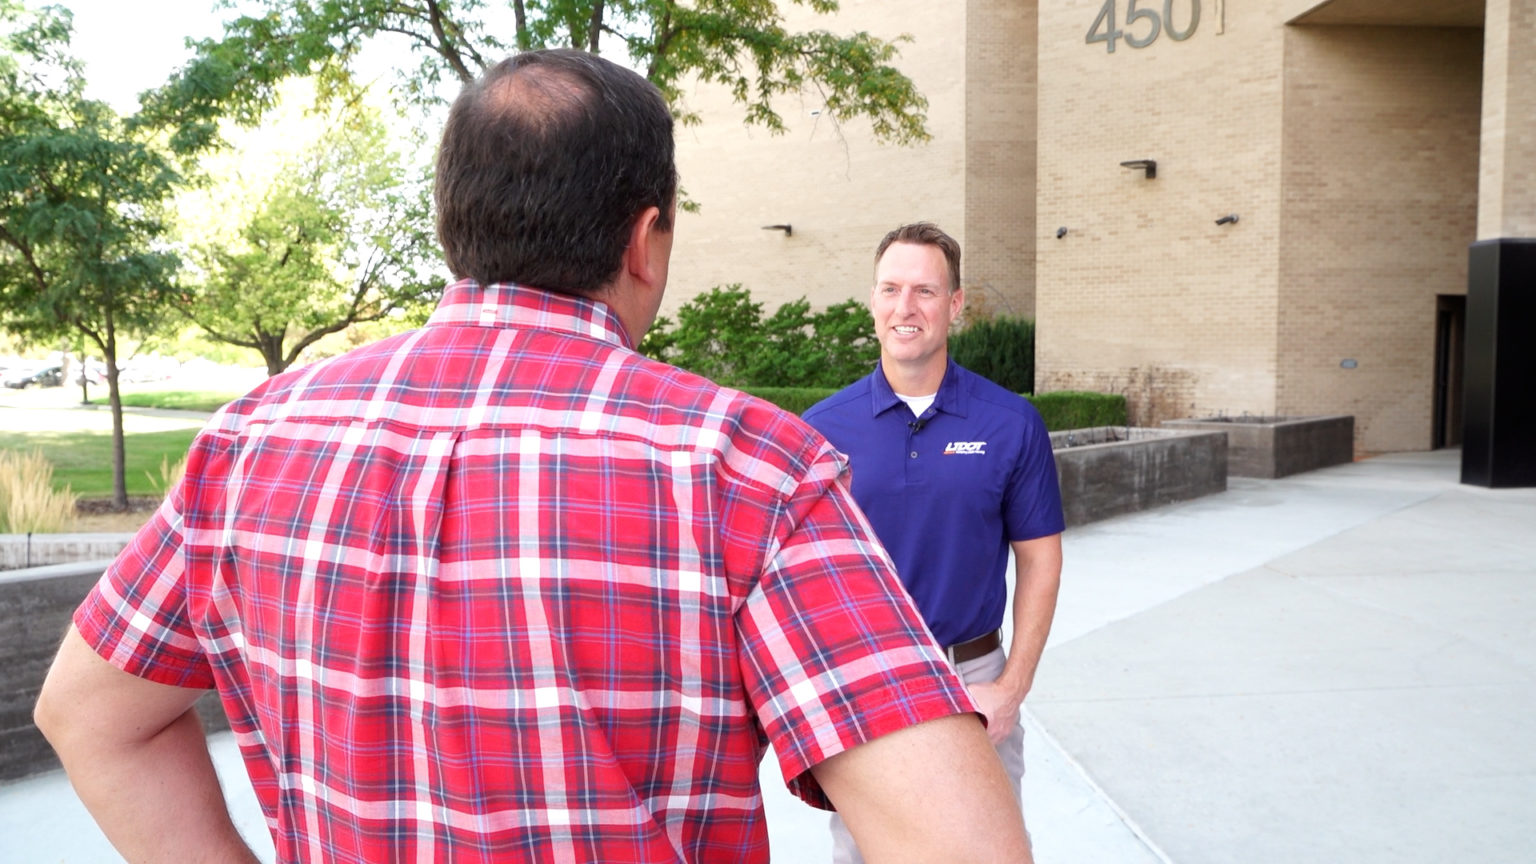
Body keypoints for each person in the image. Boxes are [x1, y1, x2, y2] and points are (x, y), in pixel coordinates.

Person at [33, 53, 1031, 863]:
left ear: (456, 222)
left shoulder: (248, 446)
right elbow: (962, 843)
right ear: (646, 240)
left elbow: (90, 713)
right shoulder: (745, 469)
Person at [803, 222, 1066, 863]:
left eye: (925, 291)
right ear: (873, 301)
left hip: (972, 674)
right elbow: (802, 575)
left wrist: (1010, 687)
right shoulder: (820, 430)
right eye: (891, 289)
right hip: (867, 677)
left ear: (954, 305)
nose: (906, 307)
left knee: (989, 851)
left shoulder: (1010, 423)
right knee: (865, 852)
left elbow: (1041, 560)